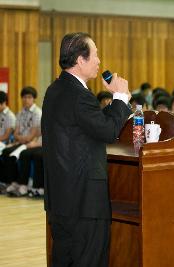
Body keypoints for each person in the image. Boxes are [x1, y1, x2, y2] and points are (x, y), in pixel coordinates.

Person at [42, 32, 132, 267]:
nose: (99, 61)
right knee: (89, 260)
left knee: (64, 259)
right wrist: (120, 98)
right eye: (95, 54)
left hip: (61, 200)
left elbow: (86, 126)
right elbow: (108, 131)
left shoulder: (55, 90)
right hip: (84, 203)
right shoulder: (80, 96)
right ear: (80, 60)